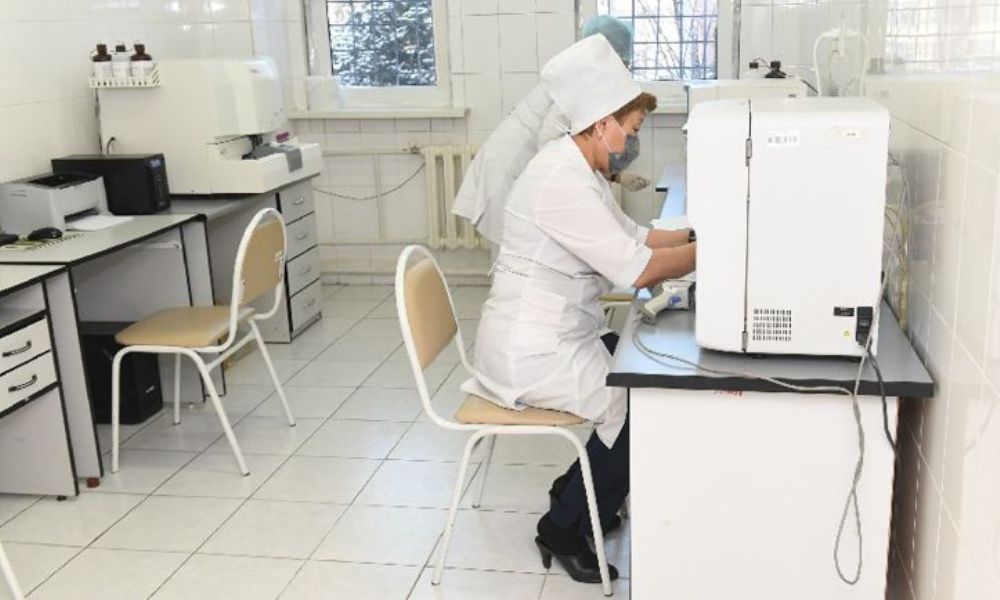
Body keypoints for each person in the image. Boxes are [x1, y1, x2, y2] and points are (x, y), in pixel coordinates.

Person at [461, 36, 697, 585]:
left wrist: (693, 235)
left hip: (559, 334)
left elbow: (635, 235)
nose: (631, 142)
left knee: (642, 367)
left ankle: (578, 492)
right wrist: (712, 252)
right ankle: (562, 526)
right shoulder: (558, 180)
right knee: (640, 406)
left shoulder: (579, 170)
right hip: (532, 350)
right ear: (600, 123)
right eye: (631, 130)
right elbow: (637, 268)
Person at [451, 15, 650, 245]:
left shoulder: (584, 74)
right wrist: (602, 178)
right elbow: (549, 139)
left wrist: (614, 176)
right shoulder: (581, 78)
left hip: (517, 162)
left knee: (519, 249)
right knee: (514, 251)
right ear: (609, 54)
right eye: (623, 63)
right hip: (511, 167)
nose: (624, 70)